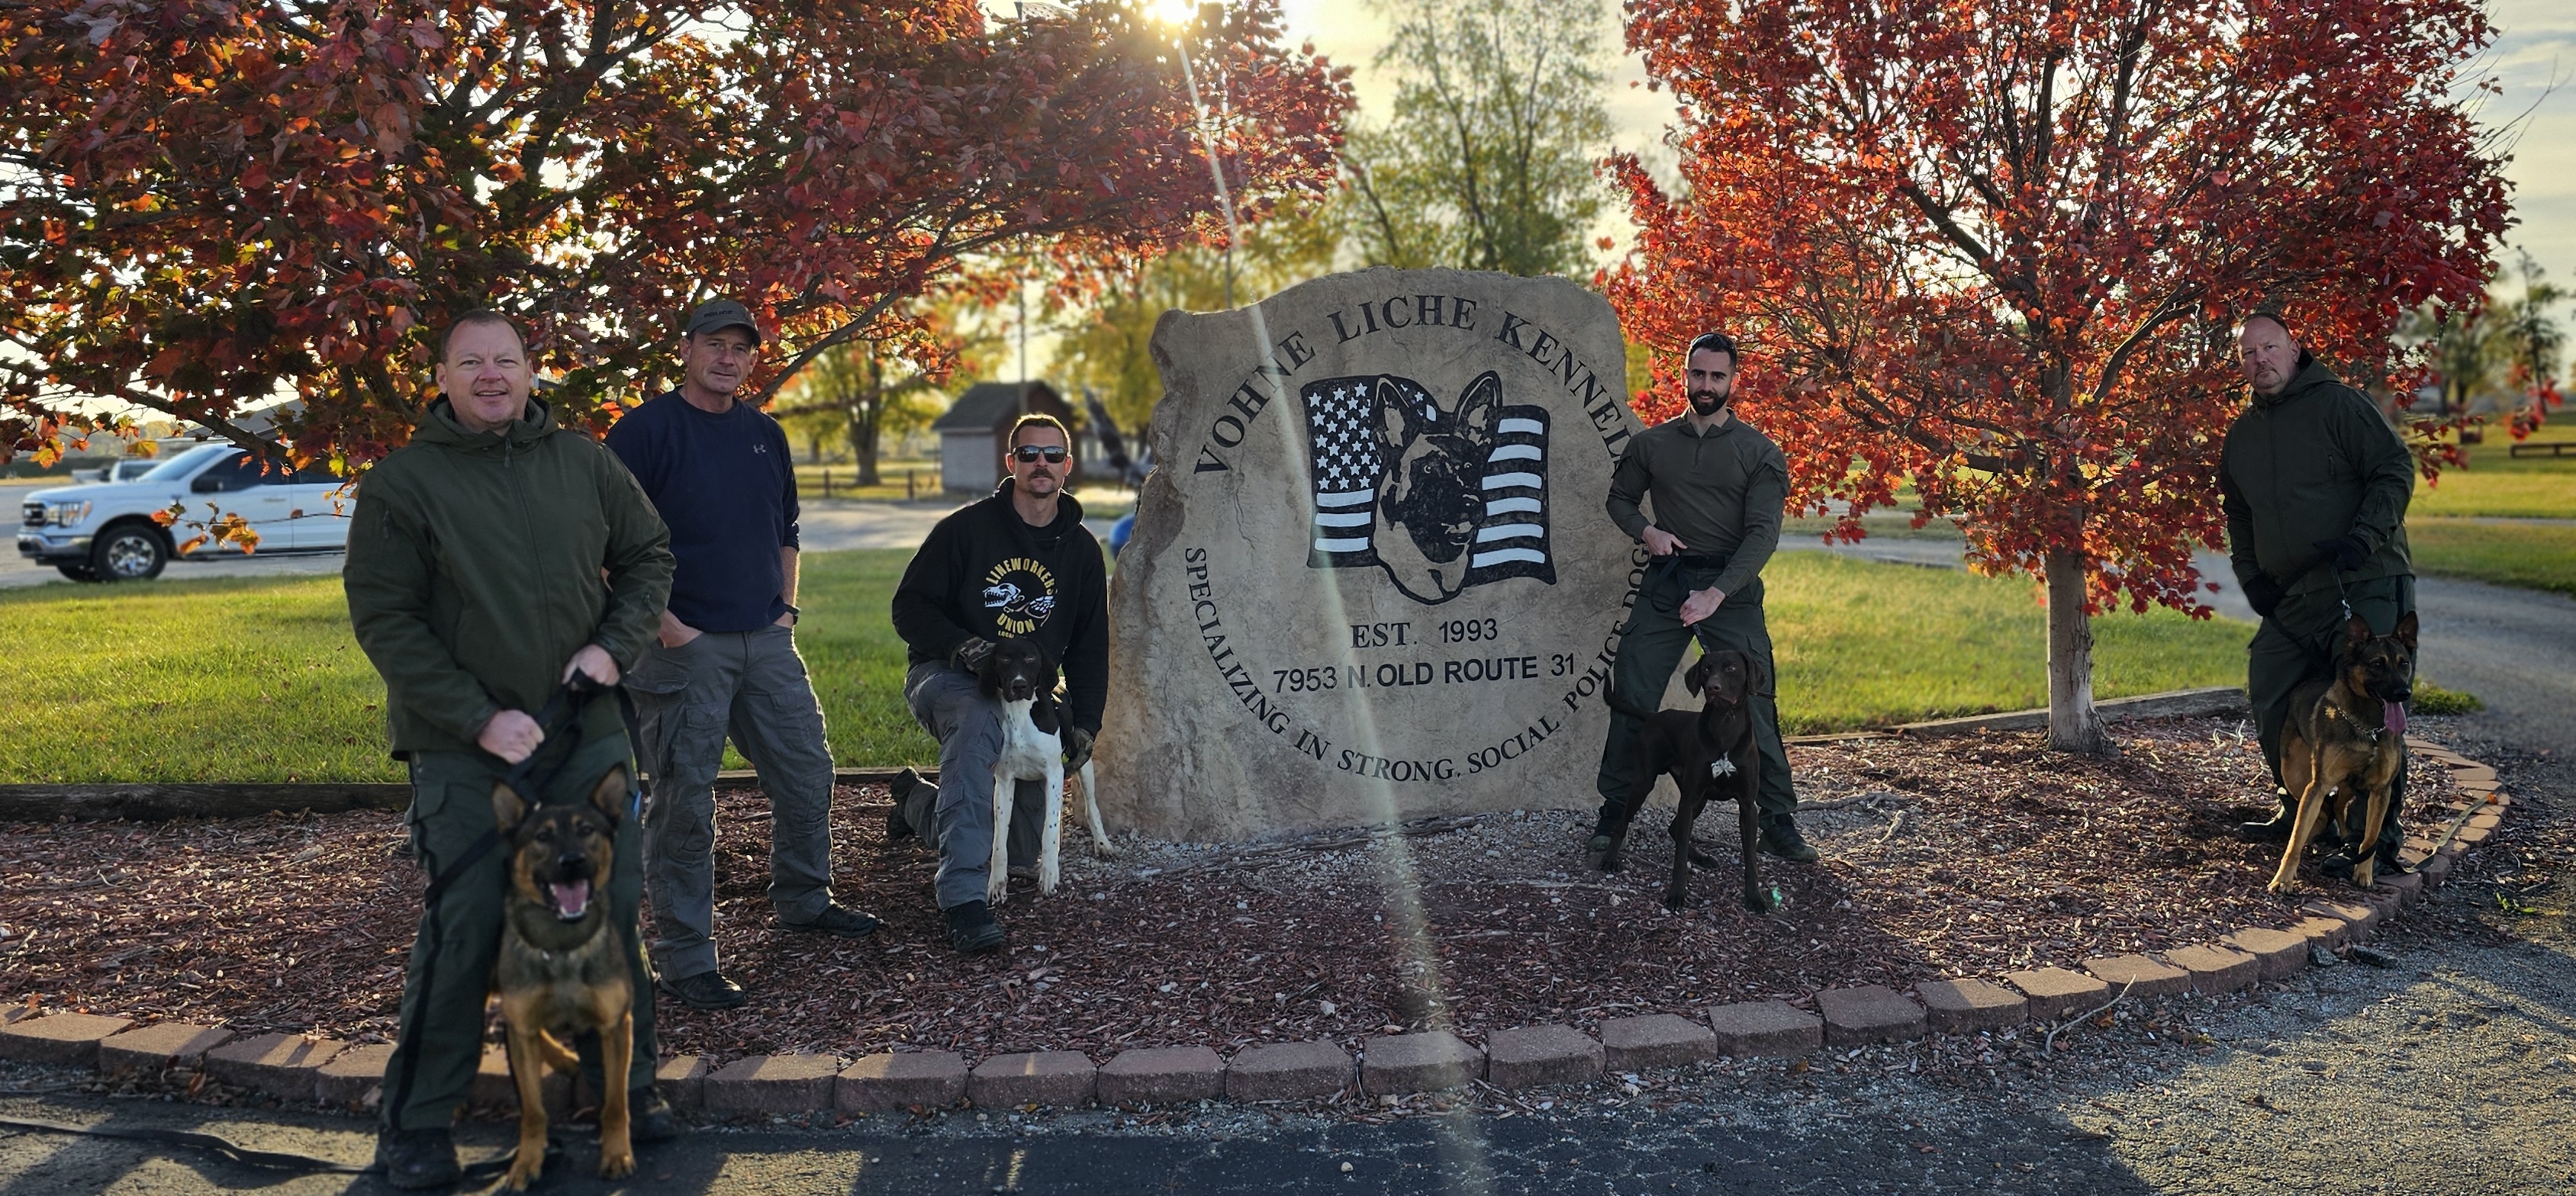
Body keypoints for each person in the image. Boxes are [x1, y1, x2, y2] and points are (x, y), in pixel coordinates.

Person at [347, 310, 678, 1188]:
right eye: (471, 362)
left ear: (532, 372)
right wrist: (476, 716)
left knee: (607, 907)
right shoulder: (402, 484)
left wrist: (613, 647)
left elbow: (648, 555)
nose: (491, 375)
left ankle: (626, 1089)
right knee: (467, 925)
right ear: (444, 376)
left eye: (506, 360)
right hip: (466, 744)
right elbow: (386, 619)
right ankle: (416, 1123)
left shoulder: (584, 461)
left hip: (584, 726)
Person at [604, 299, 881, 1011]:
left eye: (742, 349)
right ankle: (686, 956)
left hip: (766, 640)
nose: (729, 359)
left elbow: (786, 527)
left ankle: (802, 896)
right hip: (682, 647)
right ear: (687, 349)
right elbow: (601, 549)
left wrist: (785, 612)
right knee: (686, 799)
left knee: (807, 770)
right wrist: (667, 628)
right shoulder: (643, 434)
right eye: (715, 345)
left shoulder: (765, 434)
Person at [889, 414, 1109, 952]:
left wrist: (1085, 726)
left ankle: (913, 802)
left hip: (1030, 698)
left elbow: (1089, 646)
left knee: (1014, 849)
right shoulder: (964, 530)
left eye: (1053, 455)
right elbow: (908, 607)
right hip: (946, 678)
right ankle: (963, 900)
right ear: (1010, 463)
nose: (1041, 464)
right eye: (1029, 453)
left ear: (1067, 467)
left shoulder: (1081, 551)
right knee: (978, 715)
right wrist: (963, 646)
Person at [1591, 331, 1813, 863]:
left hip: (1729, 592)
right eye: (1698, 374)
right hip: (1667, 583)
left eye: (1717, 376)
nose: (1706, 385)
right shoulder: (1652, 444)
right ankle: (1615, 810)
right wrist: (1647, 532)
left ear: (1733, 381)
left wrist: (1716, 594)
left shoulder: (1759, 453)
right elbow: (1619, 499)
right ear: (1684, 374)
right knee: (1635, 695)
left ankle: (1777, 819)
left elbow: (1762, 536)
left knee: (1756, 700)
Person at [2220, 311, 2417, 873]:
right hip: (2291, 595)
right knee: (2271, 687)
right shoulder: (2243, 435)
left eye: (2270, 347)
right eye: (2248, 354)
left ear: (2294, 347)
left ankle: (2370, 844)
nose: (2261, 361)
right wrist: (2250, 574)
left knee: (2370, 699)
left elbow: (2394, 468)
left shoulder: (2341, 404)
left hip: (2364, 578)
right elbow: (2237, 511)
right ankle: (2300, 807)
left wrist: (2363, 537)